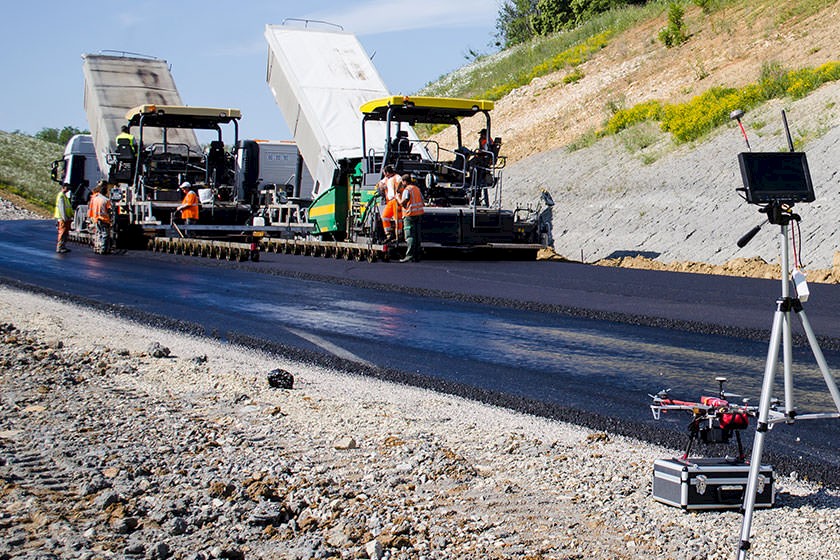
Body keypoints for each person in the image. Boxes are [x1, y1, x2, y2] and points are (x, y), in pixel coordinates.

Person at [399, 174, 424, 263]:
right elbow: (422, 200)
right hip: (418, 214)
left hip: (409, 215)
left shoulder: (407, 190)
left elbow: (404, 202)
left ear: (405, 181)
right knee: (417, 235)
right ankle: (417, 255)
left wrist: (398, 199)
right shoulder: (417, 189)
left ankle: (409, 255)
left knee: (410, 236)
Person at [376, 165, 403, 242]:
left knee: (397, 219)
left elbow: (401, 184)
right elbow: (380, 183)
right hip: (390, 201)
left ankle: (399, 236)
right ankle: (389, 234)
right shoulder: (387, 179)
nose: (384, 174)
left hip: (396, 200)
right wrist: (381, 185)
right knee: (384, 217)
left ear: (387, 172)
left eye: (384, 173)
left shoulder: (397, 177)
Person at [87, 181, 112, 254]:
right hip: (104, 219)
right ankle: (103, 249)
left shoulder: (94, 198)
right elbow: (109, 210)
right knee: (105, 234)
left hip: (95, 219)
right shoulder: (106, 200)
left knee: (99, 233)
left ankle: (98, 247)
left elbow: (91, 208)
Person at [54, 183, 73, 253]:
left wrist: (71, 214)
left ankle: (63, 246)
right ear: (64, 187)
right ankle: (59, 247)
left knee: (65, 233)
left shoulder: (64, 196)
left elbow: (68, 207)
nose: (68, 190)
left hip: (65, 218)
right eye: (67, 188)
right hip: (62, 218)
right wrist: (65, 218)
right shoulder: (61, 196)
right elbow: (62, 209)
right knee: (62, 233)